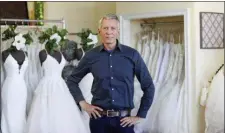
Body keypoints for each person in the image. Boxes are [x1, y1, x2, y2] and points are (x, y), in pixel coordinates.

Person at [67, 13, 155, 133]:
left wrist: (140, 115)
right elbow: (72, 80)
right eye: (105, 28)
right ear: (99, 31)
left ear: (118, 31)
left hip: (124, 121)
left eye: (113, 28)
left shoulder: (132, 55)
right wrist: (83, 104)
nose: (109, 32)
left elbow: (149, 86)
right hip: (98, 120)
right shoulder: (91, 56)